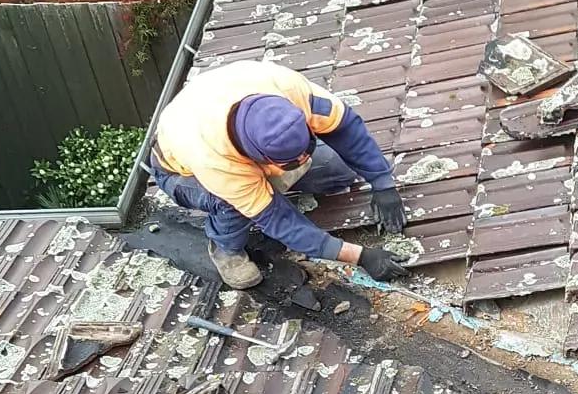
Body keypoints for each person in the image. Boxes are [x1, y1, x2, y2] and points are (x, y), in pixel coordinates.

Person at [149, 58, 410, 288]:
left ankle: (276, 182)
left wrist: (382, 182)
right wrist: (361, 256)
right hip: (178, 172)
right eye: (289, 162)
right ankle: (225, 247)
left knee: (337, 171)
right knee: (230, 203)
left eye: (307, 147)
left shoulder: (286, 88)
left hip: (235, 126)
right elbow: (280, 222)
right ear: (259, 158)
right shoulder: (215, 160)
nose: (304, 160)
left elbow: (345, 128)